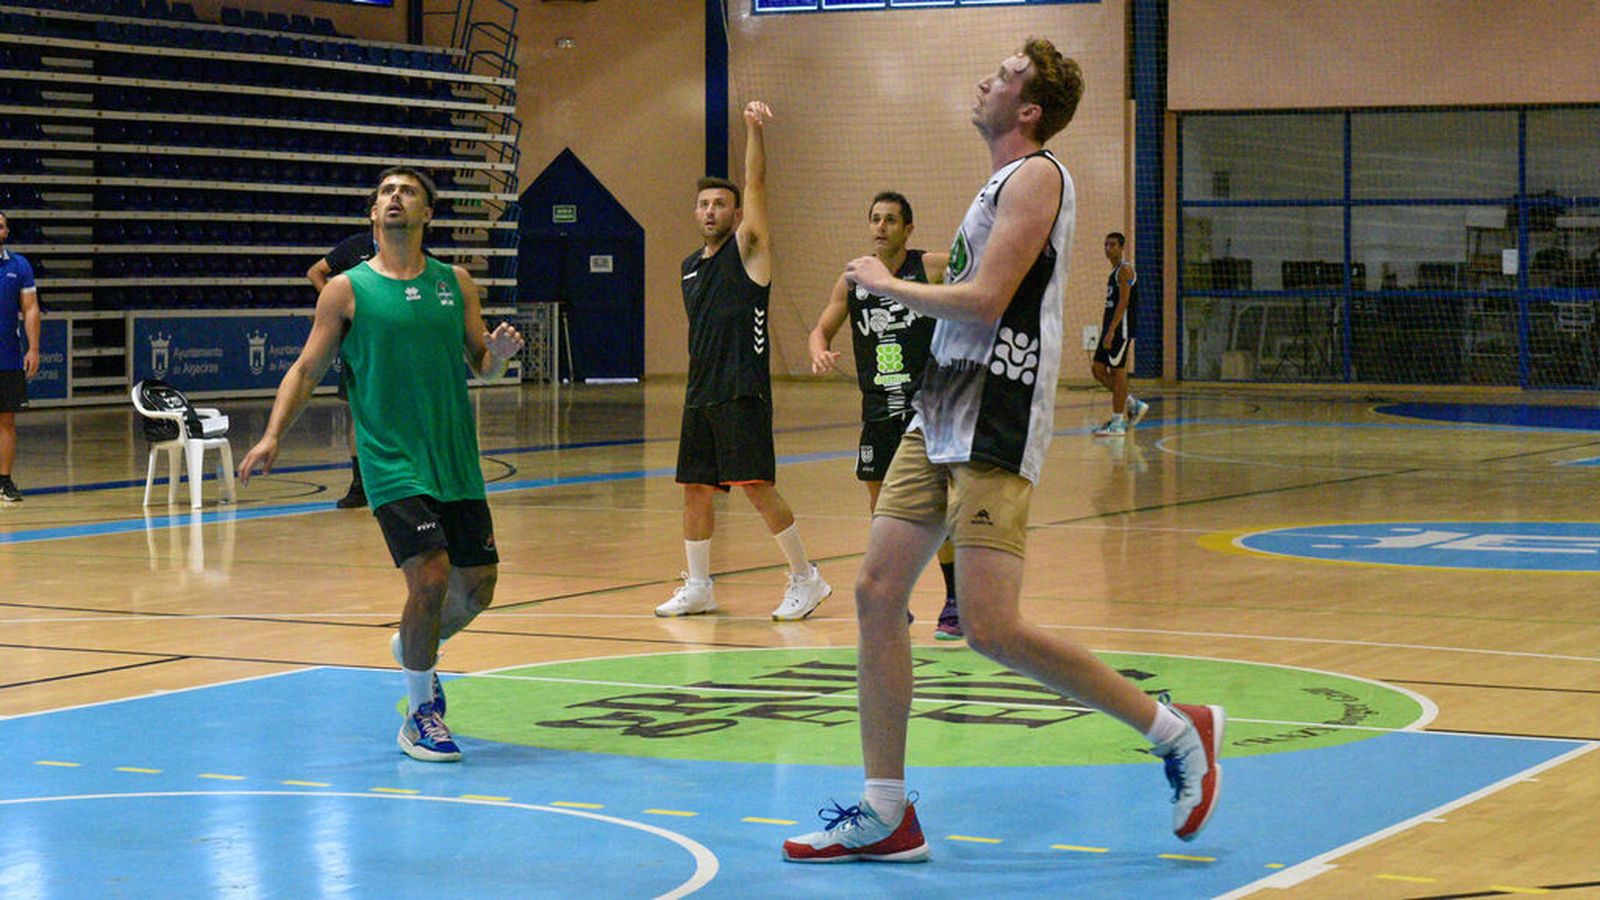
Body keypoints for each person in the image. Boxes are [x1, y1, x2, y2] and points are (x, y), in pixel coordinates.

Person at [781, 40, 1224, 864]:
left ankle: (1177, 730)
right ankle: (886, 811)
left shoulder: (1038, 176)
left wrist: (887, 283)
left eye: (1006, 74)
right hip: (939, 412)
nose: (986, 78)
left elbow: (986, 300)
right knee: (877, 592)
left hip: (996, 417)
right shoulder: (995, 184)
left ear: (1028, 109)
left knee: (989, 626)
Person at [239, 167, 524, 763]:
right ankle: (420, 714)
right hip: (391, 460)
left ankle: (413, 646)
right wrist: (271, 436)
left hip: (454, 458)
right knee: (431, 575)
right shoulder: (346, 290)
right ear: (373, 213)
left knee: (478, 589)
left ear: (427, 213)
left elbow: (482, 365)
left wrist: (498, 356)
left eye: (408, 192)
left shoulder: (456, 282)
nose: (395, 198)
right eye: (386, 192)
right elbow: (306, 370)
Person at [656, 100, 832, 622]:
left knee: (756, 486)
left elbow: (756, 185)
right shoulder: (689, 267)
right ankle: (700, 588)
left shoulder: (749, 252)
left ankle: (807, 578)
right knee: (695, 490)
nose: (711, 210)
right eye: (703, 204)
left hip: (742, 390)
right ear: (696, 213)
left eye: (721, 204)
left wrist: (754, 130)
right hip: (700, 393)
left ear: (736, 215)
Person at [808, 191, 962, 639]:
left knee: (938, 506)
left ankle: (956, 600)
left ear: (908, 228)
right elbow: (821, 329)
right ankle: (896, 601)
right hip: (877, 409)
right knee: (883, 513)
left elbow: (977, 267)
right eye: (875, 218)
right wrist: (819, 351)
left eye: (891, 220)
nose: (881, 226)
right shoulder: (853, 279)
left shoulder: (929, 267)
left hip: (927, 408)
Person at [307, 195, 380, 509]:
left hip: (397, 344)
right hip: (360, 342)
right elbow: (315, 271)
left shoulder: (414, 254)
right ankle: (359, 483)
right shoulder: (355, 246)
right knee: (358, 412)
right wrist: (335, 302)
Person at [0, 211, 41, 503]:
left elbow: (30, 309)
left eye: (0, 226)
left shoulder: (19, 265)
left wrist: (33, 348)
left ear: (6, 231)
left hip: (7, 357)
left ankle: (4, 481)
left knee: (6, 420)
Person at [1091, 231, 1148, 436]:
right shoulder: (1114, 272)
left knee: (1118, 371)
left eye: (1113, 245)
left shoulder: (1125, 270)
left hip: (1120, 330)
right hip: (1110, 329)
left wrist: (1112, 331)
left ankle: (1117, 422)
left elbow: (1124, 302)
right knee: (1098, 369)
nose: (1108, 249)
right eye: (1106, 245)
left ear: (1122, 247)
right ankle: (1132, 403)